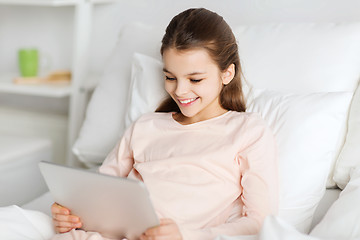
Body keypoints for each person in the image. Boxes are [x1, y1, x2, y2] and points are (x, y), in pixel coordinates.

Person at [51, 7, 278, 240]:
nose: (179, 91)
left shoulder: (248, 131)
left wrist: (186, 236)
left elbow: (259, 222)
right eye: (170, 77)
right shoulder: (146, 126)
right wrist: (70, 214)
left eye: (195, 79)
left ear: (227, 74)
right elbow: (99, 191)